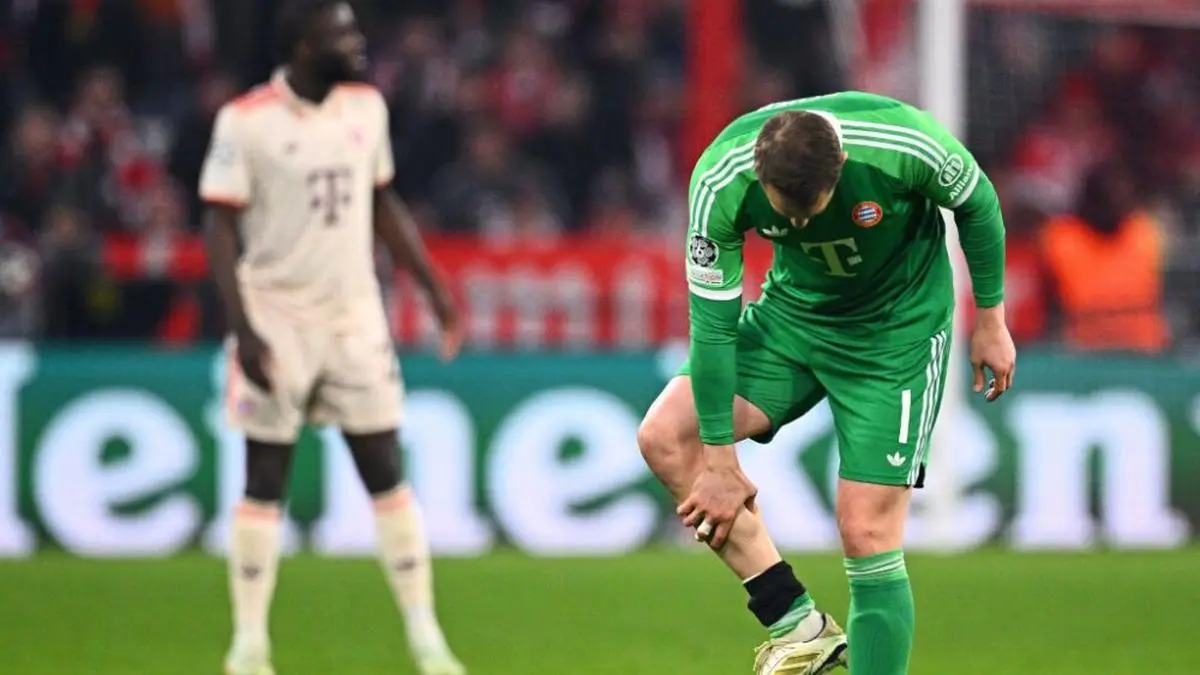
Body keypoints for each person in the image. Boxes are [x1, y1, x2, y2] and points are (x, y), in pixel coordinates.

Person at [637, 92, 1016, 675]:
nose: (796, 223)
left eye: (808, 210)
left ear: (839, 168)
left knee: (866, 531)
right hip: (793, 319)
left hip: (895, 335)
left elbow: (979, 202)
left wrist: (990, 319)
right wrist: (719, 462)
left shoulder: (903, 143)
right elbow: (712, 330)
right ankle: (796, 623)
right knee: (666, 435)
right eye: (784, 210)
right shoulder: (720, 179)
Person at [198, 2, 466, 674]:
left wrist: (433, 289)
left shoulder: (366, 108)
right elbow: (219, 226)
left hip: (353, 317)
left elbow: (382, 202)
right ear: (303, 46)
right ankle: (249, 644)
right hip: (276, 317)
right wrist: (243, 328)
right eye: (340, 33)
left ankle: (427, 638)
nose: (356, 42)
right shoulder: (246, 121)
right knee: (266, 477)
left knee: (385, 469)